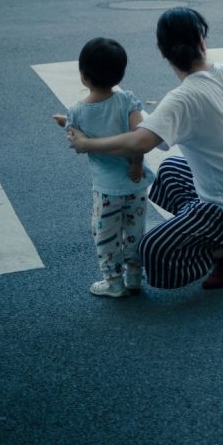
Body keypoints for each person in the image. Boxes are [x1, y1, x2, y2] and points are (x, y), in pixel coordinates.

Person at [66, 9, 223, 292]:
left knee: (153, 253)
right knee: (170, 171)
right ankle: (220, 239)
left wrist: (86, 144)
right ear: (202, 41)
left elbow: (139, 142)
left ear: (163, 53)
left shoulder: (182, 99)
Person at [53, 38, 154, 298]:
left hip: (107, 190)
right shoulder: (127, 101)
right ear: (120, 73)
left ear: (84, 77)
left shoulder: (77, 111)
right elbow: (139, 135)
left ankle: (113, 281)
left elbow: (79, 139)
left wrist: (66, 122)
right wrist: (136, 165)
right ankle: (134, 276)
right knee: (135, 231)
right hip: (135, 184)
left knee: (106, 235)